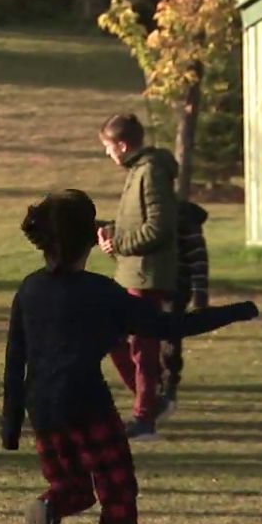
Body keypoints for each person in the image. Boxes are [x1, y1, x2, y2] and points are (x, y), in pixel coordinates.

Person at [2, 189, 257, 524]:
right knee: (118, 495)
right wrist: (237, 311)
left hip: (43, 410)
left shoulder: (29, 290)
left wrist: (11, 427)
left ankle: (48, 506)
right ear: (89, 239)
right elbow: (169, 327)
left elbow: (16, 358)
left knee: (75, 489)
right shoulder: (100, 292)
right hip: (88, 405)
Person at [96, 114, 179, 440]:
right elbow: (136, 221)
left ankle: (145, 419)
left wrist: (120, 243)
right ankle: (152, 403)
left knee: (143, 347)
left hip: (147, 275)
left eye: (108, 147)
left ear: (122, 145)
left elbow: (158, 228)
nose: (107, 153)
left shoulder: (151, 172)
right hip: (131, 273)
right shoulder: (137, 170)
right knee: (111, 336)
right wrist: (110, 233)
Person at [161, 200, 210, 413]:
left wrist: (200, 295)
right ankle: (154, 388)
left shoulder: (184, 216)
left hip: (175, 287)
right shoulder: (145, 209)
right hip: (149, 285)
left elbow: (198, 257)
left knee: (169, 341)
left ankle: (168, 387)